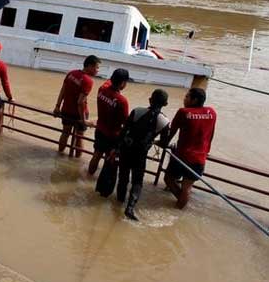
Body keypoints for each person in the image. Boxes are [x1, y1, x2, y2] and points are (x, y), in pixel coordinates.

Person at [115, 89, 170, 221]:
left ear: (150, 100)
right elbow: (164, 142)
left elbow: (123, 132)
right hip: (141, 154)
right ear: (166, 104)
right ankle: (130, 208)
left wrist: (116, 148)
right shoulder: (164, 122)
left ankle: (119, 201)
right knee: (137, 181)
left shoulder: (137, 111)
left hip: (126, 149)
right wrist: (153, 140)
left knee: (123, 176)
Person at [163, 88, 216, 209]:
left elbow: (172, 132)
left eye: (187, 97)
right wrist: (206, 151)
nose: (184, 99)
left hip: (182, 156)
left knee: (169, 179)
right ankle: (180, 207)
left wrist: (164, 143)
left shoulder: (183, 112)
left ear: (194, 100)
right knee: (187, 188)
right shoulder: (212, 112)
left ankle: (180, 203)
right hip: (200, 158)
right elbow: (211, 134)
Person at [53, 55, 101, 157]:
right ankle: (76, 162)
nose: (98, 70)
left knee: (65, 133)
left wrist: (57, 106)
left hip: (66, 110)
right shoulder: (88, 81)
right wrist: (84, 120)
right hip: (79, 114)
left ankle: (59, 155)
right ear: (89, 66)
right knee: (80, 136)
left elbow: (63, 90)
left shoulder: (71, 73)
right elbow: (80, 102)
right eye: (96, 67)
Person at [88, 69, 130, 174]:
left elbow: (107, 83)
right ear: (123, 83)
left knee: (96, 154)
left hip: (99, 129)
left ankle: (88, 175)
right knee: (109, 160)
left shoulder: (102, 90)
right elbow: (126, 122)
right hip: (112, 135)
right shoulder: (122, 101)